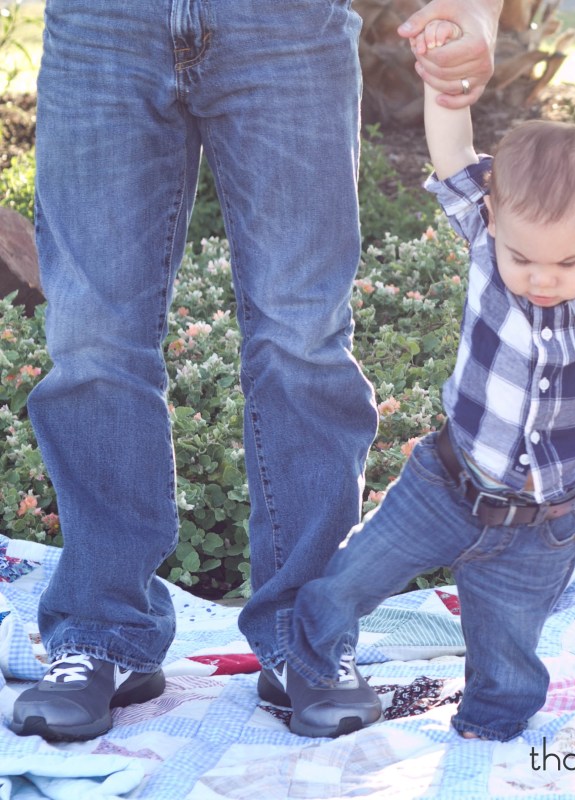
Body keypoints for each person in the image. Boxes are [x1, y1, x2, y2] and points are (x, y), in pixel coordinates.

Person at [10, 0, 500, 742]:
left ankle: (305, 639)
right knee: (92, 336)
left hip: (287, 22)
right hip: (102, 20)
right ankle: (101, 630)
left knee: (302, 336)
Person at [279, 20, 575, 742]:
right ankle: (303, 661)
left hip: (544, 521)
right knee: (349, 580)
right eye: (523, 257)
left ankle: (489, 735)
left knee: (508, 646)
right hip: (446, 484)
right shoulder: (485, 233)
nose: (541, 279)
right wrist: (447, 78)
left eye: (565, 264)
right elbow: (451, 150)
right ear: (493, 221)